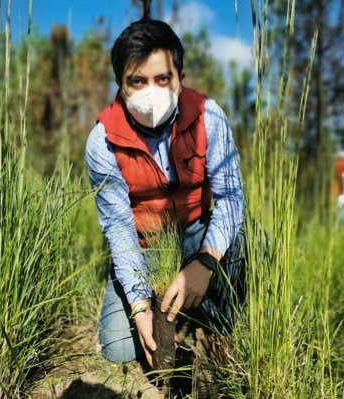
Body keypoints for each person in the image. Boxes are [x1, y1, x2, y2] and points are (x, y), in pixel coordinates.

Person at [86, 19, 246, 367]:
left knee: (246, 240)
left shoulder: (210, 117)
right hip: (145, 246)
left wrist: (205, 261)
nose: (151, 92)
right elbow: (118, 228)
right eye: (137, 81)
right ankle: (148, 297)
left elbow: (232, 197)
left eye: (162, 79)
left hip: (196, 233)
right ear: (120, 86)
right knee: (118, 349)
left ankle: (217, 322)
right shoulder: (102, 142)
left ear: (180, 79)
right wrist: (141, 307)